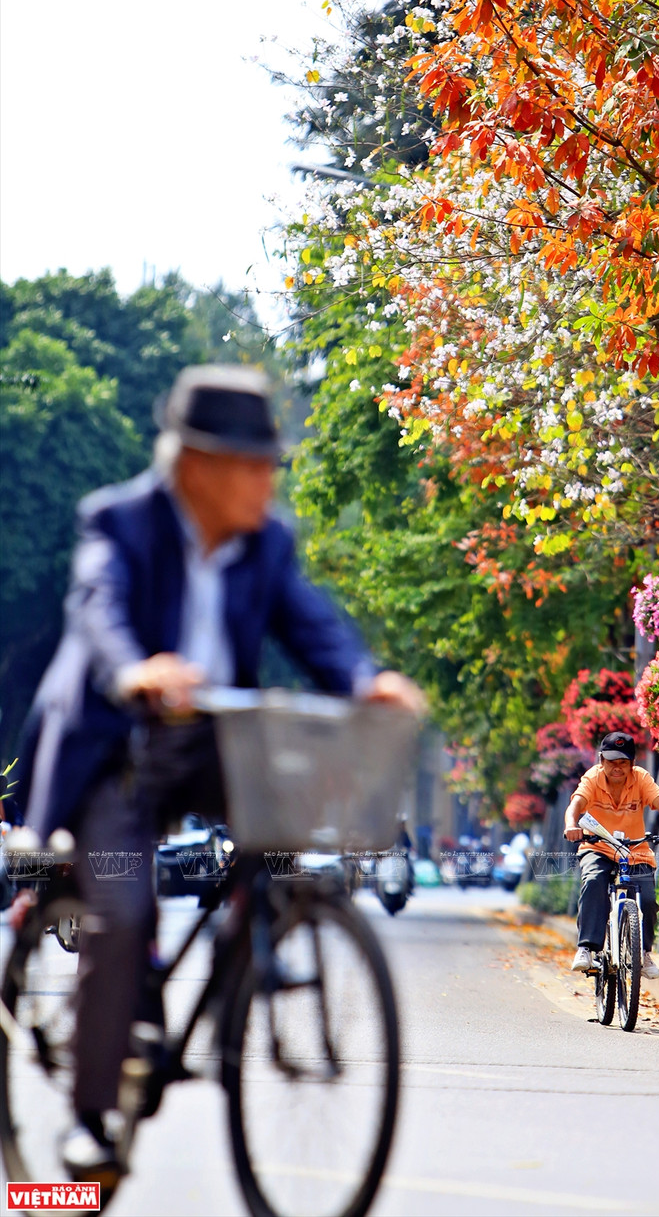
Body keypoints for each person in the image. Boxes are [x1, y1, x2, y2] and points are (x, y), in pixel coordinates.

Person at [11, 364, 424, 1180]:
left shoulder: (266, 543)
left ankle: (248, 949)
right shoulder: (120, 520)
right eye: (256, 465)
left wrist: (362, 679)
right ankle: (91, 1118)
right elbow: (98, 608)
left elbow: (311, 622)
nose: (270, 481)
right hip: (114, 747)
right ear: (199, 465)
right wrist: (137, 669)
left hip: (211, 745)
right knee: (122, 908)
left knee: (279, 836)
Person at [564, 731, 659, 978]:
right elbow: (575, 806)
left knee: (647, 900)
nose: (617, 768)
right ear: (601, 760)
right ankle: (586, 948)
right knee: (594, 881)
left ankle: (644, 953)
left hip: (634, 850)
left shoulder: (641, 778)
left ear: (632, 763)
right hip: (597, 846)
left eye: (623, 762)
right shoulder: (593, 778)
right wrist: (571, 826)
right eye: (611, 761)